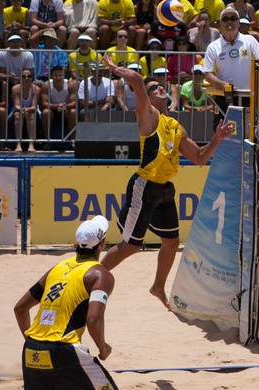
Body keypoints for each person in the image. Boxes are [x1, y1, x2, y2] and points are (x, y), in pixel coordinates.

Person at [100, 54, 234, 309]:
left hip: (164, 190)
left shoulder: (175, 126)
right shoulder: (148, 116)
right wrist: (115, 68)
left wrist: (217, 138)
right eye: (154, 88)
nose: (160, 87)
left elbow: (199, 158)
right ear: (147, 99)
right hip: (145, 186)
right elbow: (138, 81)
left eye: (161, 86)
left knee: (172, 242)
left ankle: (158, 287)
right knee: (130, 246)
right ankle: (88, 276)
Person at [13, 215, 118, 390]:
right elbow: (93, 320)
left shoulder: (57, 268)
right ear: (102, 244)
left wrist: (37, 343)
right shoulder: (101, 275)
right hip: (64, 350)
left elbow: (20, 308)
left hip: (31, 351)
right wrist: (103, 348)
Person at [203, 6, 259, 131]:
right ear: (221, 23)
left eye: (233, 18)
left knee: (252, 134)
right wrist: (223, 85)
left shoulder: (249, 40)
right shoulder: (213, 47)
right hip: (225, 96)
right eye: (225, 19)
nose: (229, 22)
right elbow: (208, 74)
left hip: (251, 96)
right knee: (223, 136)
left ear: (238, 22)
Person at [40, 65, 77, 139]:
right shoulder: (46, 85)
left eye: (60, 75)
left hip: (66, 110)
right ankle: (47, 140)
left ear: (64, 76)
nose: (58, 77)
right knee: (46, 112)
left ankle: (72, 140)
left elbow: (74, 102)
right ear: (51, 76)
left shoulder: (71, 84)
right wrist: (57, 106)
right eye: (55, 75)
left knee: (73, 112)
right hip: (52, 110)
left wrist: (65, 106)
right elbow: (44, 103)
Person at [11, 68, 39, 153]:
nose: (26, 78)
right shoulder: (15, 88)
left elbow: (34, 106)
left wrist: (27, 109)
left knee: (31, 115)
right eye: (24, 76)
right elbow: (16, 105)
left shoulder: (36, 89)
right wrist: (22, 110)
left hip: (32, 111)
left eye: (29, 76)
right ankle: (18, 144)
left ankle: (31, 144)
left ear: (31, 78)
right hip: (19, 110)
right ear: (20, 78)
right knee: (17, 116)